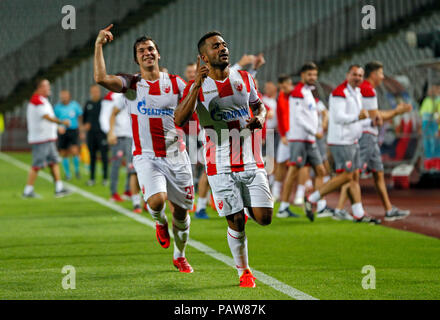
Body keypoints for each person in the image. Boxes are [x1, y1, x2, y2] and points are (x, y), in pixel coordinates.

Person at [175, 31, 273, 288]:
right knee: (236, 221)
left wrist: (261, 118)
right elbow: (179, 119)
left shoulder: (245, 78)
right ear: (204, 56)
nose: (222, 49)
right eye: (215, 46)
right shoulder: (197, 87)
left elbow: (259, 105)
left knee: (264, 218)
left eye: (224, 45)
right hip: (219, 164)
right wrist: (196, 84)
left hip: (252, 159)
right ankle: (244, 271)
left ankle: (243, 208)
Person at [94, 24, 195, 273]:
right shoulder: (131, 84)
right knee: (158, 201)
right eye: (141, 50)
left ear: (158, 54)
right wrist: (98, 45)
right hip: (146, 155)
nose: (147, 52)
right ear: (136, 58)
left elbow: (195, 102)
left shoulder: (176, 83)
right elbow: (101, 78)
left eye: (150, 48)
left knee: (181, 214)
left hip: (175, 154)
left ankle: (180, 255)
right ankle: (159, 223)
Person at [334, 61, 412, 221]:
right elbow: (375, 116)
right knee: (352, 173)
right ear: (374, 74)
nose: (383, 77)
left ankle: (389, 210)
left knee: (378, 173)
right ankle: (339, 209)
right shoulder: (367, 89)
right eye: (381, 73)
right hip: (366, 134)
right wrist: (397, 111)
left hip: (368, 133)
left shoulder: (361, 89)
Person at [304, 65, 381, 224]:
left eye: (360, 75)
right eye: (354, 75)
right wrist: (358, 117)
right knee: (346, 175)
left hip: (352, 139)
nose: (358, 78)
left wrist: (370, 120)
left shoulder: (357, 92)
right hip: (341, 140)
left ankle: (359, 213)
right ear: (347, 75)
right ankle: (312, 198)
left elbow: (356, 117)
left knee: (354, 176)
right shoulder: (339, 93)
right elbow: (338, 117)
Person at [276, 62, 333, 219]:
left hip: (309, 139)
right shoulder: (298, 92)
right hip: (299, 139)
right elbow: (299, 117)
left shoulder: (308, 92)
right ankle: (283, 207)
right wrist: (315, 131)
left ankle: (320, 206)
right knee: (293, 171)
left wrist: (315, 132)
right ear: (302, 75)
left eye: (315, 75)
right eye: (310, 75)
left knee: (320, 171)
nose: (313, 77)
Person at [23, 78, 71, 198]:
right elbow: (46, 117)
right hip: (41, 138)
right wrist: (61, 122)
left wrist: (56, 128)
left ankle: (59, 188)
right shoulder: (36, 100)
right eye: (46, 86)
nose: (49, 88)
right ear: (40, 88)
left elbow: (47, 118)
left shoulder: (42, 100)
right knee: (37, 164)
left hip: (47, 138)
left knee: (54, 161)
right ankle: (28, 190)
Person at [103, 91, 142, 213]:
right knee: (118, 165)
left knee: (134, 167)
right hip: (120, 136)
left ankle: (129, 192)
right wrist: (110, 132)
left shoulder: (146, 94)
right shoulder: (123, 97)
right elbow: (111, 114)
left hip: (135, 136)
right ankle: (113, 192)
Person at [271, 75, 294, 203]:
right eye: (282, 86)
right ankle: (276, 192)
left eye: (286, 85)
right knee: (280, 163)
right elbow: (280, 117)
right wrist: (283, 134)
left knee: (300, 166)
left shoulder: (297, 95)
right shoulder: (280, 97)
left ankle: (300, 193)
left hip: (298, 135)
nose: (284, 88)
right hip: (286, 135)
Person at [54, 90, 83, 180]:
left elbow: (80, 117)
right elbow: (54, 119)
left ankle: (77, 171)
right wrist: (58, 127)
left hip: (73, 130)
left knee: (75, 151)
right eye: (62, 96)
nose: (64, 97)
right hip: (63, 131)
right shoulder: (57, 107)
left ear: (69, 96)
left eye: (65, 95)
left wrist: (81, 130)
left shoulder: (75, 105)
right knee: (63, 153)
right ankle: (67, 174)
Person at [83, 84, 109, 186]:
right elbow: (84, 118)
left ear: (99, 91)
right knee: (92, 156)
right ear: (90, 92)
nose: (95, 93)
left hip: (102, 134)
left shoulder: (104, 103)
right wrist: (85, 125)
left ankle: (105, 178)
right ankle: (92, 178)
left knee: (104, 156)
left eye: (96, 91)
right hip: (91, 134)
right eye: (93, 91)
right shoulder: (88, 103)